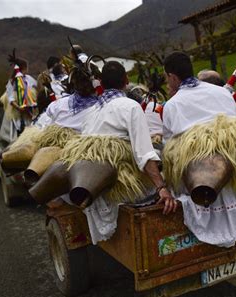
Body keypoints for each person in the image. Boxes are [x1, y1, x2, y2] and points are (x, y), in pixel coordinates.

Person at [59, 61, 177, 244]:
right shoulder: (130, 106)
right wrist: (162, 188)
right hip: (126, 192)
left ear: (102, 84)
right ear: (126, 80)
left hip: (98, 192)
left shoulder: (90, 112)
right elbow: (144, 154)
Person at [162, 52, 236, 248]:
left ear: (172, 76)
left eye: (166, 78)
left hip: (201, 178)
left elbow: (170, 149)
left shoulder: (172, 105)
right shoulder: (221, 92)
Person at [6, 52, 38, 136]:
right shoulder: (12, 82)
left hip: (31, 112)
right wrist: (18, 107)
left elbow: (37, 86)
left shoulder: (29, 79)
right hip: (20, 114)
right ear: (24, 68)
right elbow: (10, 98)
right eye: (27, 67)